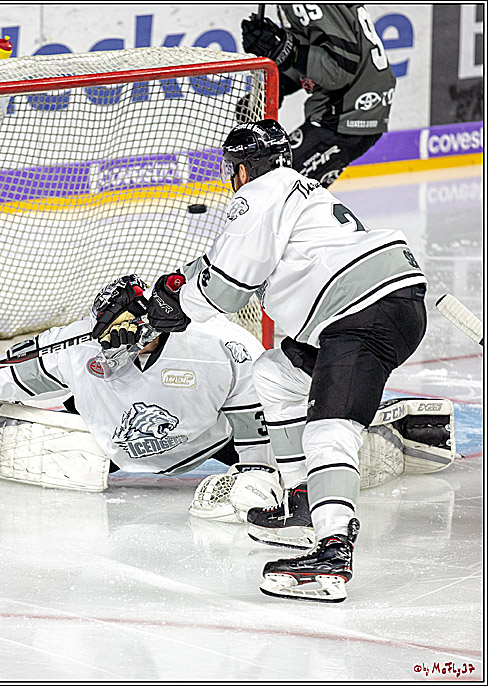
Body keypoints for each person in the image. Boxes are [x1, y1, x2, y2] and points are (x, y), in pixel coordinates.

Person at [92, 118, 427, 602]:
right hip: (378, 306)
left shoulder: (257, 194)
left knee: (331, 429)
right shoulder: (301, 190)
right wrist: (170, 289)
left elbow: (227, 289)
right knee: (275, 374)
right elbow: (218, 266)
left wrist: (171, 309)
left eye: (233, 170)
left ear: (243, 170)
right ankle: (300, 501)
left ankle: (332, 552)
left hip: (361, 313)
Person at [0, 274, 283, 523]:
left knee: (284, 471)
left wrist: (256, 467)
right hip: (111, 437)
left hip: (212, 439)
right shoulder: (79, 341)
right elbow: (12, 373)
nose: (104, 345)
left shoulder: (216, 345)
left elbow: (252, 408)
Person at [241, 4, 396, 187]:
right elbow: (315, 55)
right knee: (277, 189)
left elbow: (339, 68)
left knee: (271, 187)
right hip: (348, 110)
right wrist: (280, 85)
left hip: (348, 115)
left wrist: (288, 51)